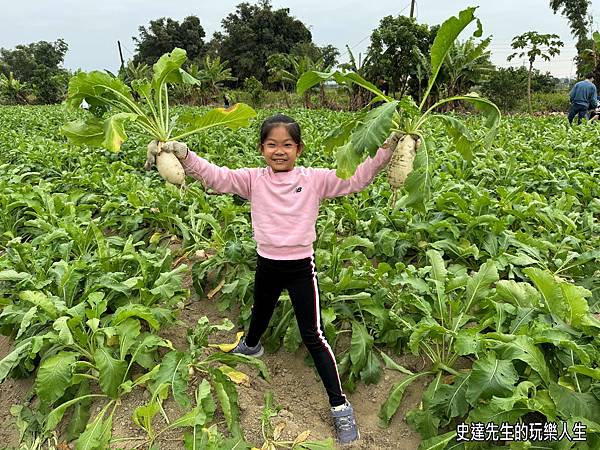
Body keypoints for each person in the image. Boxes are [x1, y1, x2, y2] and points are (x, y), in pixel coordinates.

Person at [144, 114, 403, 445]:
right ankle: (251, 346)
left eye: (287, 145)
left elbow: (356, 179)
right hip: (267, 262)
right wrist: (183, 156)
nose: (279, 151)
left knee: (313, 334)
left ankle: (339, 406)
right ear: (261, 148)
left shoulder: (314, 180)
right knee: (260, 309)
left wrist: (388, 149)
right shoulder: (253, 180)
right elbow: (216, 177)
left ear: (299, 149)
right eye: (271, 145)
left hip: (300, 268)